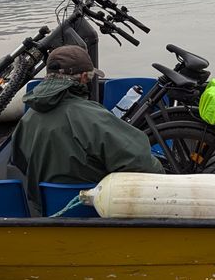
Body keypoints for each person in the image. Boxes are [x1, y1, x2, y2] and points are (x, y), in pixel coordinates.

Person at [12, 45, 163, 214]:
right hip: (94, 213)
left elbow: (20, 162)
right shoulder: (92, 116)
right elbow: (144, 166)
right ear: (84, 77)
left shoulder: (27, 119)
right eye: (91, 77)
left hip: (49, 214)